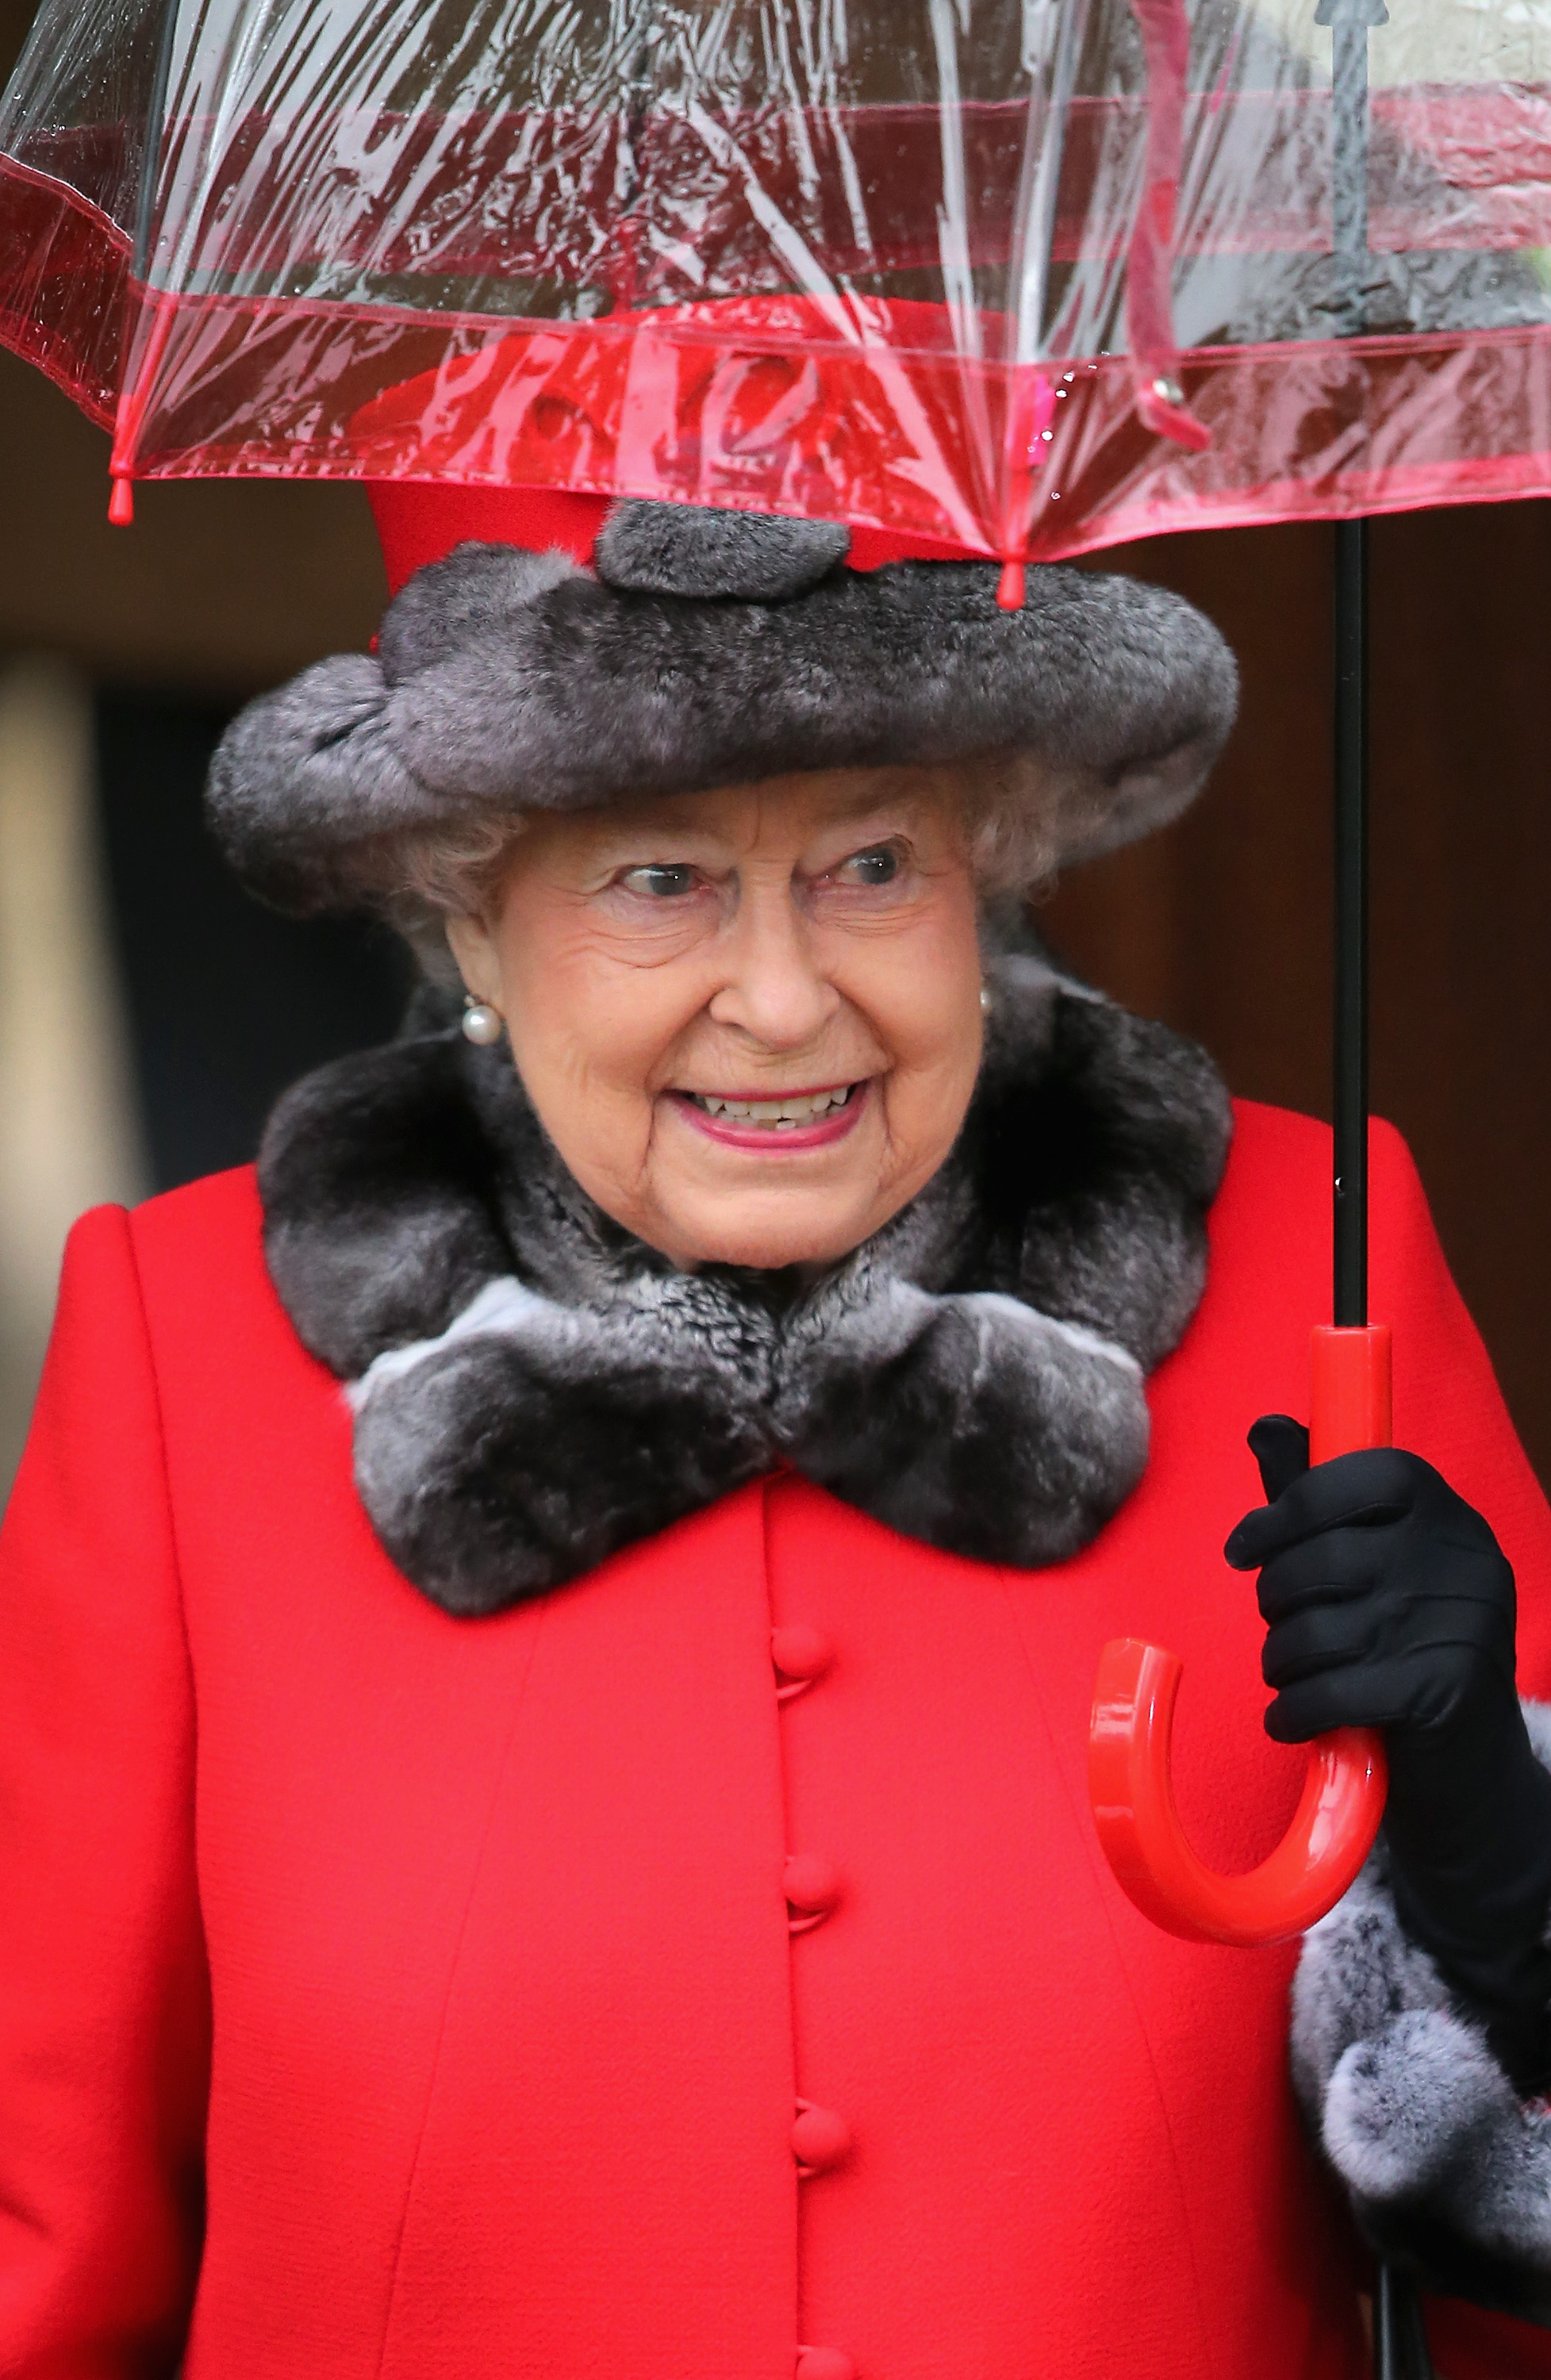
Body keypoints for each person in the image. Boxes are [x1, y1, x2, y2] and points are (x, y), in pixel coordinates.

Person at [4, 483, 1551, 2380]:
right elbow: (41, 2257)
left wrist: (1506, 1868)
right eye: (658, 879)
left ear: (986, 862)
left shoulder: (1322, 1269)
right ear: (468, 917)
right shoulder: (186, 1350)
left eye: (872, 863)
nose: (784, 997)